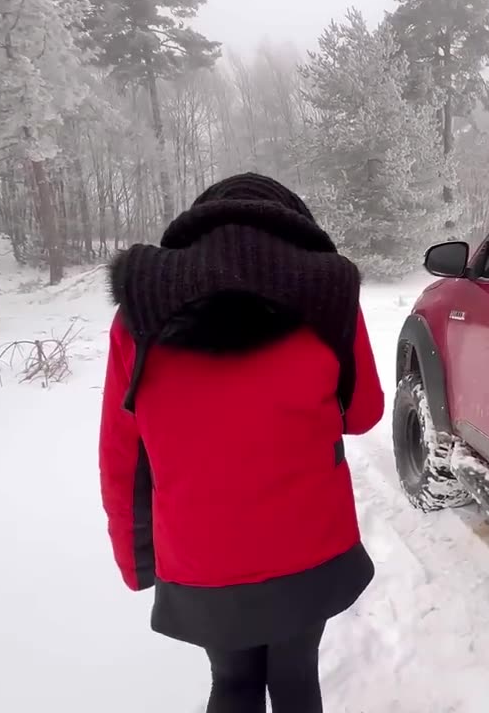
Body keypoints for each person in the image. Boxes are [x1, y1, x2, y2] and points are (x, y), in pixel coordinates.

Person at [97, 173, 384, 713]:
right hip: (308, 543)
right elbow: (364, 413)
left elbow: (121, 453)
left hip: (200, 551)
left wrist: (136, 559)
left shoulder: (141, 307)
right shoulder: (329, 295)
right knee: (297, 679)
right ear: (296, 226)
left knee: (232, 683)